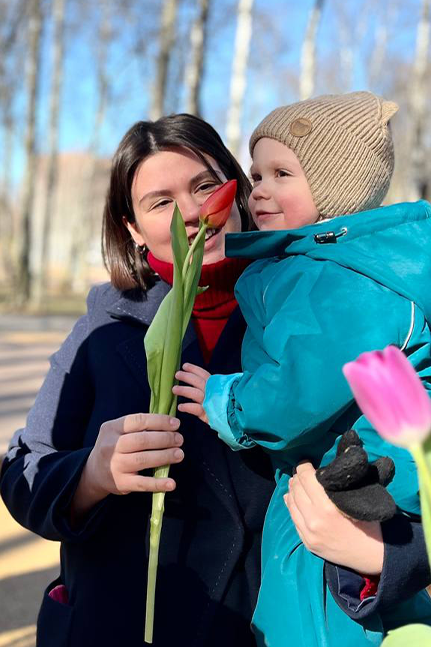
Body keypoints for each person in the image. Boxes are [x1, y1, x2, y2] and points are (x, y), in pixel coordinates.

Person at [0, 113, 431, 647]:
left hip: (259, 626)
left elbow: (410, 463)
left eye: (206, 185)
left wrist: (385, 556)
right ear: (131, 229)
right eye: (159, 201)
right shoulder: (102, 330)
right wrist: (91, 474)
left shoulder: (319, 313)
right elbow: (24, 475)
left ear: (241, 192)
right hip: (118, 624)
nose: (192, 212)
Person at [175, 91, 431, 645]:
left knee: (317, 618)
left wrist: (228, 401)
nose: (258, 188)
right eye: (255, 173)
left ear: (335, 186)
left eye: (282, 173)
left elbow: (300, 392)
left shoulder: (343, 279)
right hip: (334, 481)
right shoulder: (325, 264)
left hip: (357, 482)